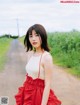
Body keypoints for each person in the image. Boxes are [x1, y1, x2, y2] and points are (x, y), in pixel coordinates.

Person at [15, 24, 61, 105]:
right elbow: (28, 75)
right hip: (27, 91)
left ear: (43, 36)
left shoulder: (46, 57)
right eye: (30, 36)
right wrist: (23, 91)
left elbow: (47, 85)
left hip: (39, 95)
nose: (33, 39)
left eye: (36, 35)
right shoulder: (30, 54)